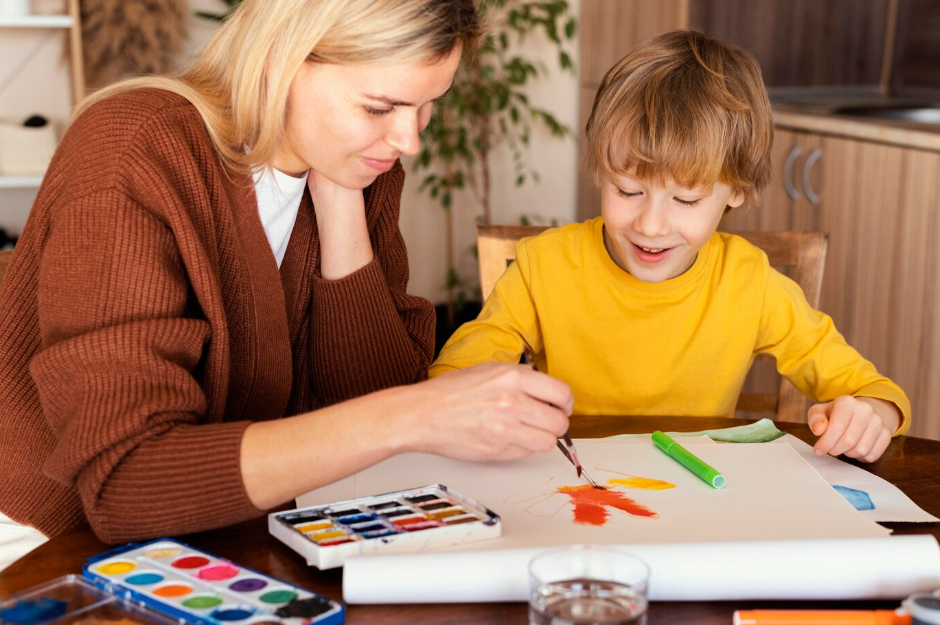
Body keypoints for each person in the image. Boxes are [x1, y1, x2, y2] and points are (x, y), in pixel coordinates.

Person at [0, 0, 573, 569]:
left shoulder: (352, 164)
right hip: (44, 543)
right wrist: (419, 413)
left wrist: (340, 201)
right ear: (280, 59)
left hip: (212, 537)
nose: (409, 140)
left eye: (427, 107)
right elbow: (127, 482)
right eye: (379, 107)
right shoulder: (133, 149)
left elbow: (368, 413)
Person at [430, 30, 910, 463]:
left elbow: (874, 392)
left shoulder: (750, 283)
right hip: (576, 495)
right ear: (599, 170)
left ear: (738, 190)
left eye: (685, 198)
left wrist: (869, 416)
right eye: (628, 191)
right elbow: (451, 380)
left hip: (700, 506)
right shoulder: (544, 267)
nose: (651, 224)